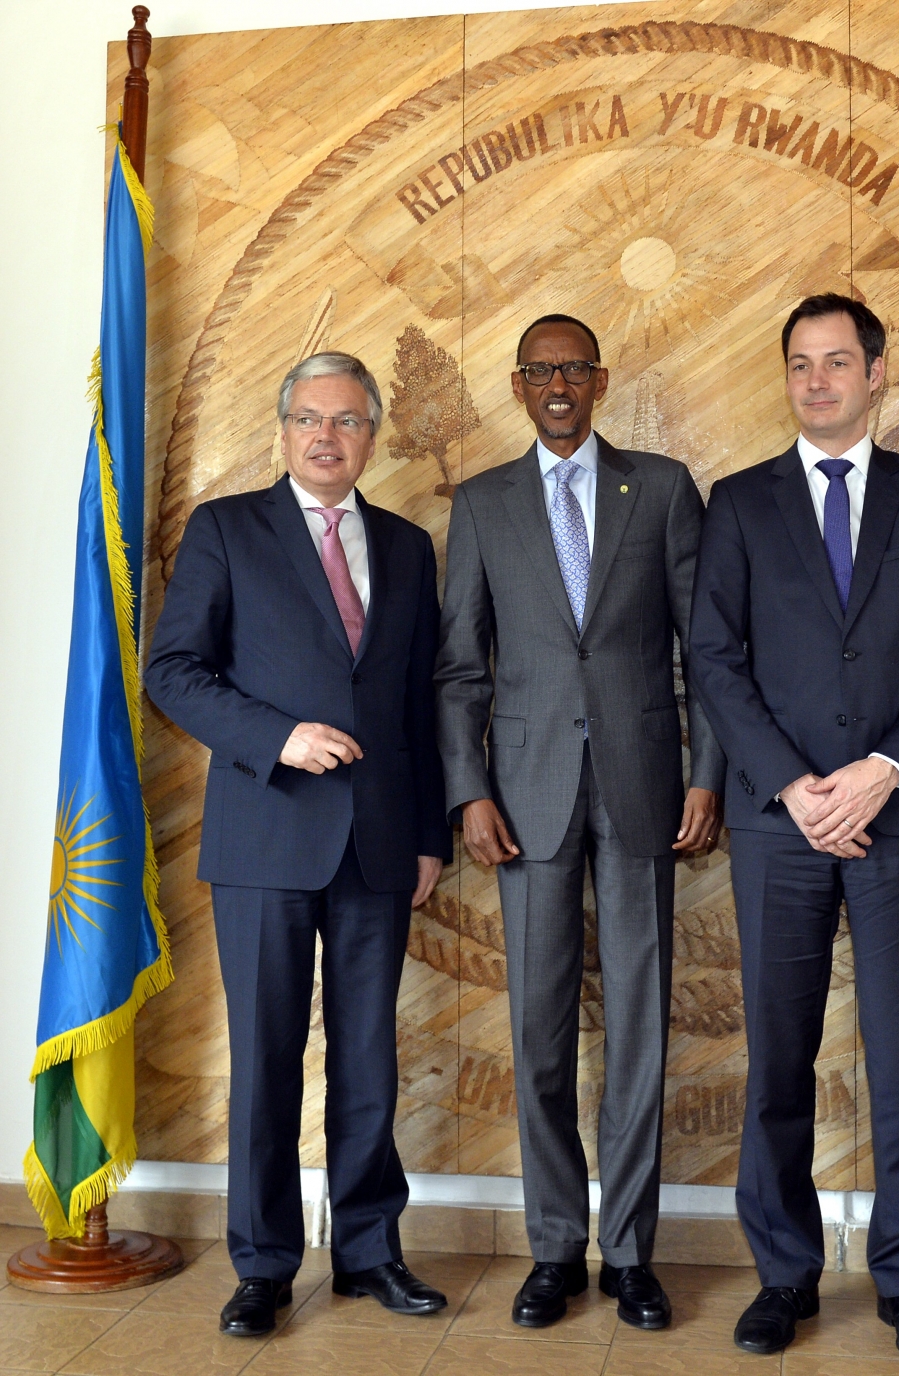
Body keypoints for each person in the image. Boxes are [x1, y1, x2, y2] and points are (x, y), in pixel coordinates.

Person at [689, 294, 899, 1363]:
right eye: (798, 364)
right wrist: (795, 786)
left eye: (835, 362)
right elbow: (713, 659)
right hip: (782, 826)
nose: (816, 380)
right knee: (777, 1054)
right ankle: (784, 1271)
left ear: (875, 372)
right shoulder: (737, 502)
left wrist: (881, 770)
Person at [145, 352, 453, 1336]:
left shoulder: (407, 547)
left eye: (349, 420)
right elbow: (174, 670)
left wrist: (429, 834)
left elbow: (419, 705)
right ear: (283, 431)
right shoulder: (227, 529)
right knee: (270, 1056)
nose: (328, 436)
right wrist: (279, 736)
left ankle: (368, 1251)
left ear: (373, 434)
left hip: (378, 844)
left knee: (369, 1055)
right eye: (310, 418)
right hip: (264, 837)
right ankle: (265, 1264)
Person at [435, 314, 724, 1333]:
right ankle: (554, 1245)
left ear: (599, 379)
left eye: (574, 367)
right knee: (537, 1027)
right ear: (518, 385)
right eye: (540, 369)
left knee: (640, 1025)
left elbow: (706, 649)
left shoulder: (661, 487)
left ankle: (631, 1253)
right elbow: (460, 665)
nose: (558, 382)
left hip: (647, 784)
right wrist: (468, 790)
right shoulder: (481, 503)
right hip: (522, 797)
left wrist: (709, 774)